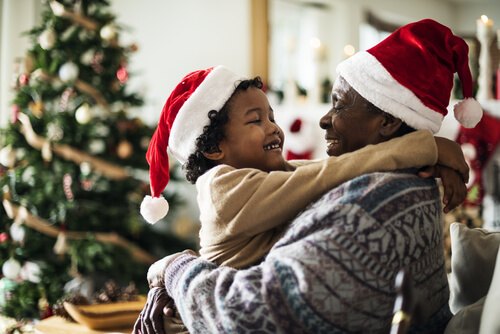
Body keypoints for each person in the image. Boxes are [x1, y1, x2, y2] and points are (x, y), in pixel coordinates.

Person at [135, 19, 482, 334]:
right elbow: (325, 175)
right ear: (214, 149)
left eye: (270, 116)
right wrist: (425, 147)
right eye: (256, 120)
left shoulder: (368, 206)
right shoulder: (222, 187)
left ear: (388, 123)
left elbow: (318, 174)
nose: (275, 127)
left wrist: (428, 152)